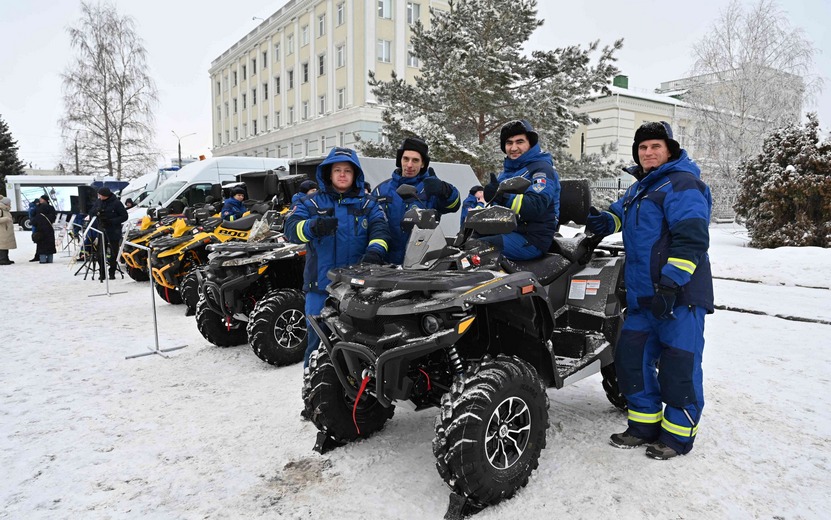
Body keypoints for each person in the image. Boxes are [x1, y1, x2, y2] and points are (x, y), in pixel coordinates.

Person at [586, 121, 714, 460]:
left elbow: (692, 239)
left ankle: (676, 438)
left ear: (669, 150)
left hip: (679, 296)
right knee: (631, 360)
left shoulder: (683, 184)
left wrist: (672, 283)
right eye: (643, 148)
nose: (648, 152)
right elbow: (618, 216)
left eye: (655, 146)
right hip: (644, 297)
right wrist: (602, 220)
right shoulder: (639, 189)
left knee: (678, 367)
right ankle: (643, 426)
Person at [285, 147, 390, 368]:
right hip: (320, 289)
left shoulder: (368, 204)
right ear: (328, 174)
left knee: (362, 347)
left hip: (358, 289)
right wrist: (313, 226)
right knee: (317, 347)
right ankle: (313, 392)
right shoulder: (310, 203)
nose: (342, 175)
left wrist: (375, 253)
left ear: (356, 175)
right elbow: (291, 230)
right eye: (337, 170)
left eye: (347, 171)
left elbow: (381, 231)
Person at [478, 119, 560, 261]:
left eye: (519, 142)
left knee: (479, 249)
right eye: (509, 143)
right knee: (462, 244)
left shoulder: (541, 170)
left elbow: (536, 205)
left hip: (531, 239)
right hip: (509, 231)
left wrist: (502, 197)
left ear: (530, 144)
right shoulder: (507, 172)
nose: (514, 148)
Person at [373, 136, 460, 265]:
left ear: (423, 163)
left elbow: (453, 205)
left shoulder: (431, 188)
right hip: (386, 264)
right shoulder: (381, 190)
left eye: (415, 160)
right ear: (399, 160)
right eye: (406, 159)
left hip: (420, 265)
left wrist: (444, 190)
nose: (409, 165)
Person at [89, 187, 129, 279]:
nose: (99, 197)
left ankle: (112, 272)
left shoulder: (116, 203)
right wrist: (97, 212)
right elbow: (91, 212)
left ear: (105, 195)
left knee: (113, 253)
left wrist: (111, 221)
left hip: (113, 231)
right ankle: (102, 273)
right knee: (100, 252)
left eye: (101, 195)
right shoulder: (98, 202)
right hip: (101, 230)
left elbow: (124, 216)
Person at [33, 195, 57, 264]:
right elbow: (53, 218)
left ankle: (42, 260)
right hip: (49, 229)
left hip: (40, 230)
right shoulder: (51, 208)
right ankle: (50, 259)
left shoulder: (38, 209)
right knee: (50, 245)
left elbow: (34, 220)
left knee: (41, 245)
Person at [0, 196, 17, 265]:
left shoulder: (5, 210)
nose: (10, 204)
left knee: (6, 245)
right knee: (2, 245)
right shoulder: (1, 209)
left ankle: (6, 258)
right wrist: (6, 219)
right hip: (2, 231)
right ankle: (2, 259)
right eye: (9, 202)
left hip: (6, 230)